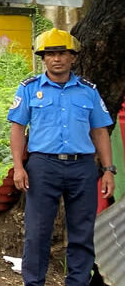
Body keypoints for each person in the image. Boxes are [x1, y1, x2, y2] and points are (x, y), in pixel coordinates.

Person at [8, 28, 116, 286]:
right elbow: (17, 129)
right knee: (37, 232)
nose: (57, 59)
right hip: (43, 166)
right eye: (51, 54)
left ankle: (77, 282)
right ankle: (34, 283)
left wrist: (109, 169)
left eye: (62, 53)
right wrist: (18, 167)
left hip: (82, 168)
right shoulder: (29, 89)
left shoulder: (88, 91)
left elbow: (100, 131)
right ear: (43, 58)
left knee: (82, 232)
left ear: (73, 58)